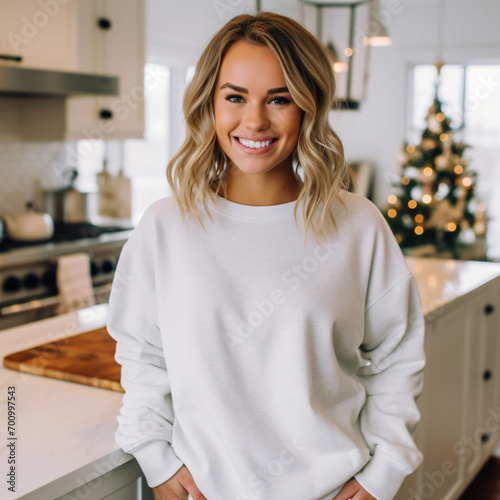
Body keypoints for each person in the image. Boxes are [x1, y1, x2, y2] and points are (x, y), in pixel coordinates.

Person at [106, 11, 426, 500]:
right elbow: (144, 356)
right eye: (235, 97)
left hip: (333, 488)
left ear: (309, 107)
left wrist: (382, 474)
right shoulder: (165, 227)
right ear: (210, 105)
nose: (254, 120)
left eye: (279, 99)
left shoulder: (359, 225)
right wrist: (155, 458)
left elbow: (396, 359)